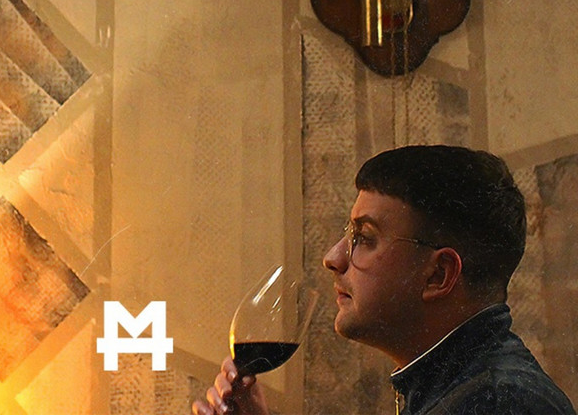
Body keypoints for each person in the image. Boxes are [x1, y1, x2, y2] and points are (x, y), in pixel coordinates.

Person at [191, 145, 577, 415]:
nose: (333, 258)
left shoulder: (497, 404)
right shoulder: (459, 388)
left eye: (364, 237)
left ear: (439, 275)